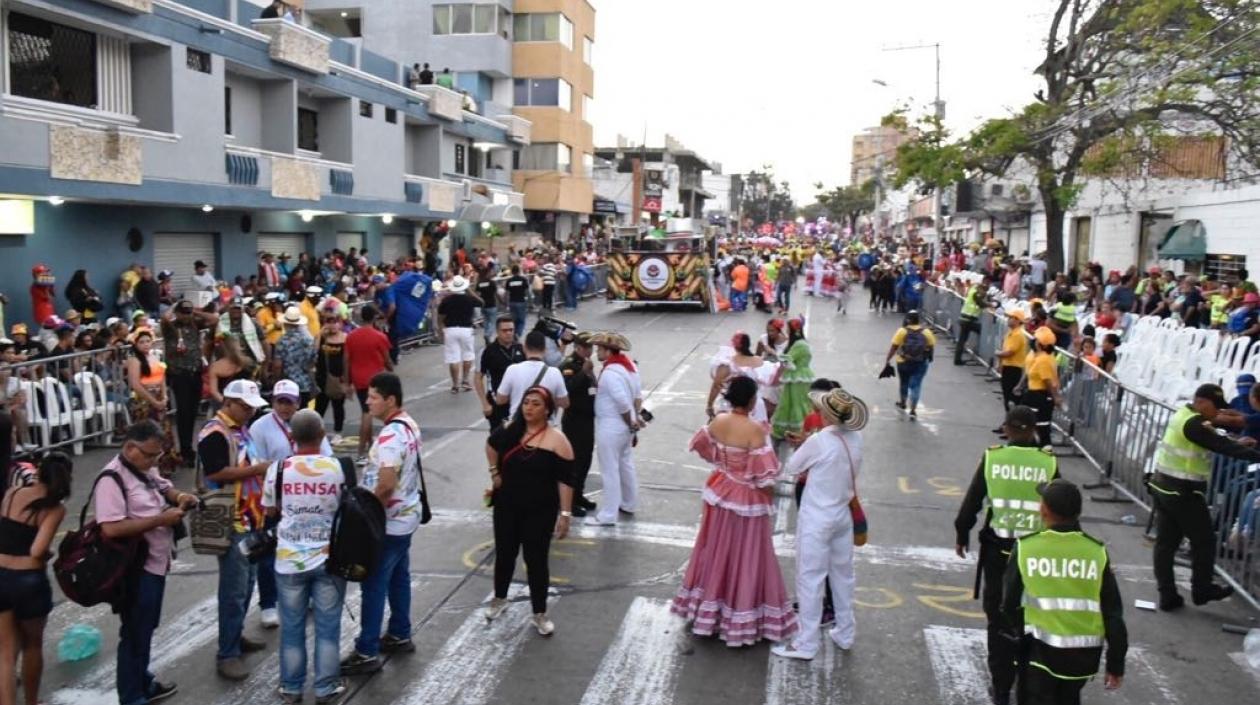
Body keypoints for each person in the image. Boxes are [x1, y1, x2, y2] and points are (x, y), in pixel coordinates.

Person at [671, 376, 797, 646]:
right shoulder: (755, 430)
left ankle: (709, 611)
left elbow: (704, 445)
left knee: (715, 549)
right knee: (749, 554)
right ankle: (739, 614)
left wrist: (725, 466)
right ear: (752, 400)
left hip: (721, 490)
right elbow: (765, 478)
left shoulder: (719, 421)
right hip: (746, 500)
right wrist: (768, 499)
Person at [954, 406, 1059, 705]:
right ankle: (1028, 679)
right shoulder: (1048, 463)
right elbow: (1063, 508)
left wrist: (962, 534)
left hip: (1000, 553)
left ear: (1008, 430)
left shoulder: (994, 458)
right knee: (1032, 617)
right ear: (1034, 430)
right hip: (1038, 554)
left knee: (999, 618)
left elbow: (972, 502)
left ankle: (1001, 688)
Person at [97, 421, 199, 705]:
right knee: (134, 632)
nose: (155, 461)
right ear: (130, 448)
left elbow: (164, 487)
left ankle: (142, 681)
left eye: (158, 456)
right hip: (135, 570)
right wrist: (160, 520)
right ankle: (131, 696)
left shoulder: (144, 468)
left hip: (156, 563)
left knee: (145, 628)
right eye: (150, 455)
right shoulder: (112, 479)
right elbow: (111, 528)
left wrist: (180, 497)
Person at [1000, 480, 1127, 705]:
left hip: (1040, 653)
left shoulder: (1026, 547)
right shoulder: (1096, 551)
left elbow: (1008, 604)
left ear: (1044, 510)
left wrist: (1020, 631)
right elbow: (1113, 613)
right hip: (1082, 658)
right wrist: (1115, 664)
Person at [772, 386, 868, 659]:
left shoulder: (820, 441)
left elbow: (793, 467)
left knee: (810, 578)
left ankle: (806, 643)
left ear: (825, 414)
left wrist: (805, 443)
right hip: (843, 514)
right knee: (843, 576)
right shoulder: (856, 438)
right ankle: (845, 632)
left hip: (817, 517)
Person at [1149, 383, 1260, 611]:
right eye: (1214, 407)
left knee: (1165, 544)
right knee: (1205, 541)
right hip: (1183, 492)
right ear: (1201, 402)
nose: (1217, 413)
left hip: (1163, 486)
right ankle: (1202, 589)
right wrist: (1253, 453)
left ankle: (1167, 595)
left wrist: (1234, 440)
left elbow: (1214, 437)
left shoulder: (1184, 414)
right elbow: (1219, 445)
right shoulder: (1194, 424)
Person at [262, 410, 347, 705]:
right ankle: (325, 687)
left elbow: (270, 511)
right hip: (329, 558)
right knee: (327, 627)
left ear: (291, 437)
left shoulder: (278, 469)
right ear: (322, 436)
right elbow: (347, 508)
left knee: (293, 628)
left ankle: (291, 687)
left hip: (288, 560)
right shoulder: (337, 467)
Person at [342, 373, 422, 674]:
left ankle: (366, 651)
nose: (367, 401)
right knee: (399, 575)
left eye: (373, 397)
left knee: (373, 585)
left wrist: (365, 515)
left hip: (388, 523)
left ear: (390, 400)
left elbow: (386, 484)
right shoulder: (409, 424)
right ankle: (400, 633)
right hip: (407, 517)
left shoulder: (389, 437)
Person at [483, 387, 575, 635]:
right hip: (506, 506)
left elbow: (566, 481)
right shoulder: (510, 431)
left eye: (535, 404)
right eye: (526, 403)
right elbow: (490, 446)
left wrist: (565, 515)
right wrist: (495, 473)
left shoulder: (558, 440)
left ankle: (539, 613)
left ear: (547, 409)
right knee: (504, 554)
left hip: (540, 511)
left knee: (536, 561)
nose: (529, 408)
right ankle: (499, 598)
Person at [199, 380, 271, 680]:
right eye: (245, 407)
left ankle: (235, 636)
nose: (250, 413)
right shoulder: (214, 433)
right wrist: (258, 470)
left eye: (252, 408)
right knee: (233, 589)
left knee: (247, 584)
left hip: (251, 516)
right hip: (232, 520)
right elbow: (216, 472)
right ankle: (227, 652)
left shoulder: (240, 429)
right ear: (228, 402)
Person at [0, 453, 70, 705]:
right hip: (28, 581)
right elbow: (37, 550)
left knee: (5, 653)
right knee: (32, 645)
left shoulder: (12, 493)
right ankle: (31, 702)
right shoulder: (55, 508)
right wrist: (50, 553)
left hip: (1, 575)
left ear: (39, 471)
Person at [586, 332, 642, 527]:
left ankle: (609, 514)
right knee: (625, 464)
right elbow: (637, 396)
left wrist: (630, 420)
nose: (596, 352)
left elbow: (621, 402)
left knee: (609, 470)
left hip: (612, 426)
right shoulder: (630, 367)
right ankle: (629, 502)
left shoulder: (610, 373)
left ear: (608, 351)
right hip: (625, 426)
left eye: (599, 349)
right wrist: (635, 420)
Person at [160, 301, 216, 466]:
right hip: (179, 374)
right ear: (177, 313)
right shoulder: (170, 327)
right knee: (183, 412)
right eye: (183, 313)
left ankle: (188, 447)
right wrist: (174, 306)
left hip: (195, 372)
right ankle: (185, 450)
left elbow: (214, 319)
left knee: (192, 412)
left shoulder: (194, 324)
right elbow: (164, 318)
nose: (186, 316)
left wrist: (195, 311)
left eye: (187, 312)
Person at [125, 330, 178, 478]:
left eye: (147, 341)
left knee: (163, 431)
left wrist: (165, 395)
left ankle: (165, 464)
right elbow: (136, 384)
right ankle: (145, 464)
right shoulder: (134, 360)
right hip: (144, 400)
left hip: (159, 397)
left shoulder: (154, 357)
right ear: (136, 344)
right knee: (148, 433)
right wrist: (153, 401)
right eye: (141, 342)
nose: (145, 344)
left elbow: (162, 378)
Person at [345, 305, 394, 458]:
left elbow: (346, 360)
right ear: (373, 318)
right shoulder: (379, 336)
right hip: (375, 378)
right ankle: (361, 451)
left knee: (367, 411)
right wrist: (392, 372)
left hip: (358, 378)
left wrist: (347, 382)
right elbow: (387, 360)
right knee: (369, 413)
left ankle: (370, 446)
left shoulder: (351, 336)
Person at [559, 332, 598, 517]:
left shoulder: (587, 365)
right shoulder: (569, 365)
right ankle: (570, 501)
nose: (589, 351)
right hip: (574, 420)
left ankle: (579, 494)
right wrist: (584, 372)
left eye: (591, 347)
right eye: (586, 347)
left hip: (588, 419)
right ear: (578, 347)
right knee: (574, 462)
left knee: (585, 459)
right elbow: (567, 388)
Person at [495, 331, 570, 419]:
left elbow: (500, 400)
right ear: (545, 349)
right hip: (544, 426)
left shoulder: (512, 370)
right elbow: (564, 403)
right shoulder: (554, 373)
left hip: (518, 425)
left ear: (524, 348)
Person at [706, 332, 771, 424]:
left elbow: (716, 386)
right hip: (755, 404)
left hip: (733, 405)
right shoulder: (759, 361)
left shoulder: (728, 362)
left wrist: (709, 405)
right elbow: (772, 380)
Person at [883, 310, 936, 419]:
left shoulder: (902, 331)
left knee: (904, 382)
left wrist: (888, 360)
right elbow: (931, 346)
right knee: (916, 385)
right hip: (921, 362)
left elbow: (894, 347)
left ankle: (903, 402)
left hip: (903, 362)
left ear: (908, 319)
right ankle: (913, 409)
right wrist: (929, 357)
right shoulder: (926, 332)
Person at [477, 316, 526, 429]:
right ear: (497, 331)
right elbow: (478, 377)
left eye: (511, 330)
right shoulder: (488, 351)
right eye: (504, 330)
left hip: (518, 401)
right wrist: (485, 404)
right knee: (499, 439)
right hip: (497, 401)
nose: (508, 333)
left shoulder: (521, 348)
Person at [770, 317, 814, 439]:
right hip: (796, 377)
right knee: (790, 403)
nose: (787, 331)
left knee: (797, 403)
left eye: (788, 329)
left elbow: (786, 358)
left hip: (798, 378)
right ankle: (792, 430)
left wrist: (775, 353)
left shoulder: (799, 344)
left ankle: (800, 430)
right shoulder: (799, 343)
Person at [437, 275, 481, 394]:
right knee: (468, 355)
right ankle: (465, 380)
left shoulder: (446, 300)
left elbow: (440, 316)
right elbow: (481, 302)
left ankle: (455, 384)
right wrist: (470, 290)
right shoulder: (469, 299)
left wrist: (441, 329)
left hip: (450, 329)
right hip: (466, 328)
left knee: (453, 357)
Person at [315, 306, 350, 443]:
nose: (332, 324)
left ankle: (338, 431)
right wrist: (320, 334)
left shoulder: (345, 338)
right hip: (322, 376)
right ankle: (317, 430)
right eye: (329, 321)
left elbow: (348, 360)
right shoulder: (323, 338)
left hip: (338, 377)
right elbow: (315, 352)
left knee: (338, 405)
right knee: (320, 406)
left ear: (340, 322)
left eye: (335, 321)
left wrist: (347, 381)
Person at [1024, 327, 1061, 448]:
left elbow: (1047, 381)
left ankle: (1045, 453)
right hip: (1036, 395)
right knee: (1036, 426)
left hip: (1039, 397)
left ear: (1040, 344)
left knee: (1041, 427)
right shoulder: (1042, 358)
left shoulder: (1043, 360)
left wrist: (1055, 397)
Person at [274, 307, 316, 407]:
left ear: (285, 323)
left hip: (288, 385)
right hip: (305, 384)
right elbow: (313, 362)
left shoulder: (282, 341)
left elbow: (278, 365)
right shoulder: (308, 340)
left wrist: (276, 381)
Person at [994, 310, 1030, 427]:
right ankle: (1007, 423)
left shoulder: (1018, 335)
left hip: (1014, 368)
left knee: (1011, 399)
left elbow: (1010, 352)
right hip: (1008, 367)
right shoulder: (1011, 333)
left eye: (1012, 318)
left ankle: (1012, 425)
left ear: (1018, 321)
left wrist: (998, 354)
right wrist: (1000, 363)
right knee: (1007, 397)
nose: (1009, 320)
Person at [955, 274, 991, 365]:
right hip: (969, 319)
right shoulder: (976, 292)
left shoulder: (973, 289)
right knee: (983, 331)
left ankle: (957, 359)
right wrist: (990, 304)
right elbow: (980, 303)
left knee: (962, 339)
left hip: (965, 317)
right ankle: (981, 353)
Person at [475, 266, 500, 344]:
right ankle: (488, 335)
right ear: (487, 273)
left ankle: (486, 334)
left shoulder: (479, 283)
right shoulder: (491, 282)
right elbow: (496, 294)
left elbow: (477, 294)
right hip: (492, 304)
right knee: (492, 322)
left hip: (483, 305)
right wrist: (501, 301)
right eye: (490, 272)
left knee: (486, 321)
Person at [504, 265, 530, 339]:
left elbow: (507, 293)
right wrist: (530, 302)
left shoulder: (509, 281)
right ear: (519, 271)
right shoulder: (523, 279)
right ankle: (518, 334)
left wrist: (506, 303)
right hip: (521, 301)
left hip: (512, 302)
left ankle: (514, 333)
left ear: (512, 272)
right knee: (521, 320)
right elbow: (527, 292)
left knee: (514, 320)